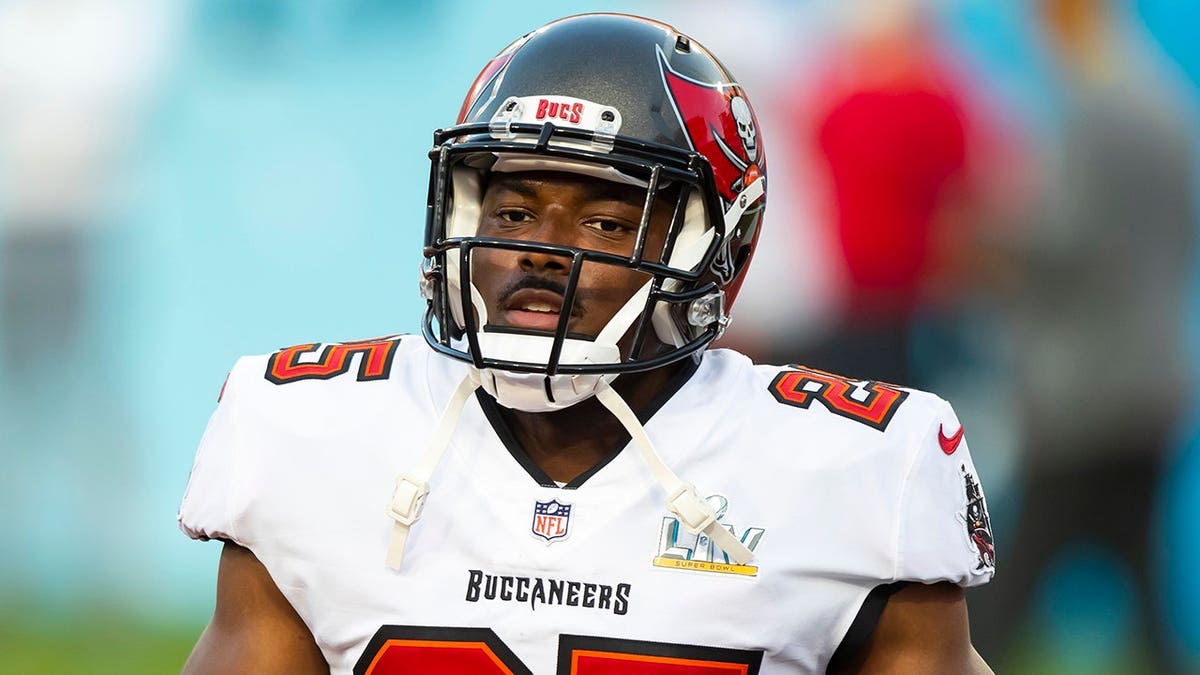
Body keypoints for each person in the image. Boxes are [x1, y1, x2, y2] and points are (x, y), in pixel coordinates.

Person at [178, 13, 995, 674]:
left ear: (717, 246)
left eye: (605, 221)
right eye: (511, 211)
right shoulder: (306, 433)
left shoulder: (857, 471)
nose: (541, 250)